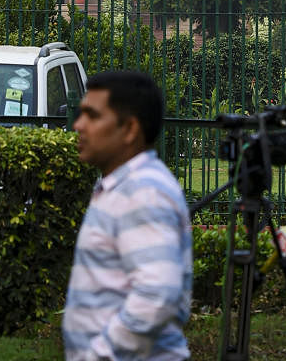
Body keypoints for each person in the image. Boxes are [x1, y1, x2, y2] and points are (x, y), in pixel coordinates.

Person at [63, 70, 192, 361]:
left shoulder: (143, 191)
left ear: (130, 129)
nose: (78, 125)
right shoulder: (122, 186)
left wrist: (99, 354)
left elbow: (157, 294)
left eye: (92, 116)